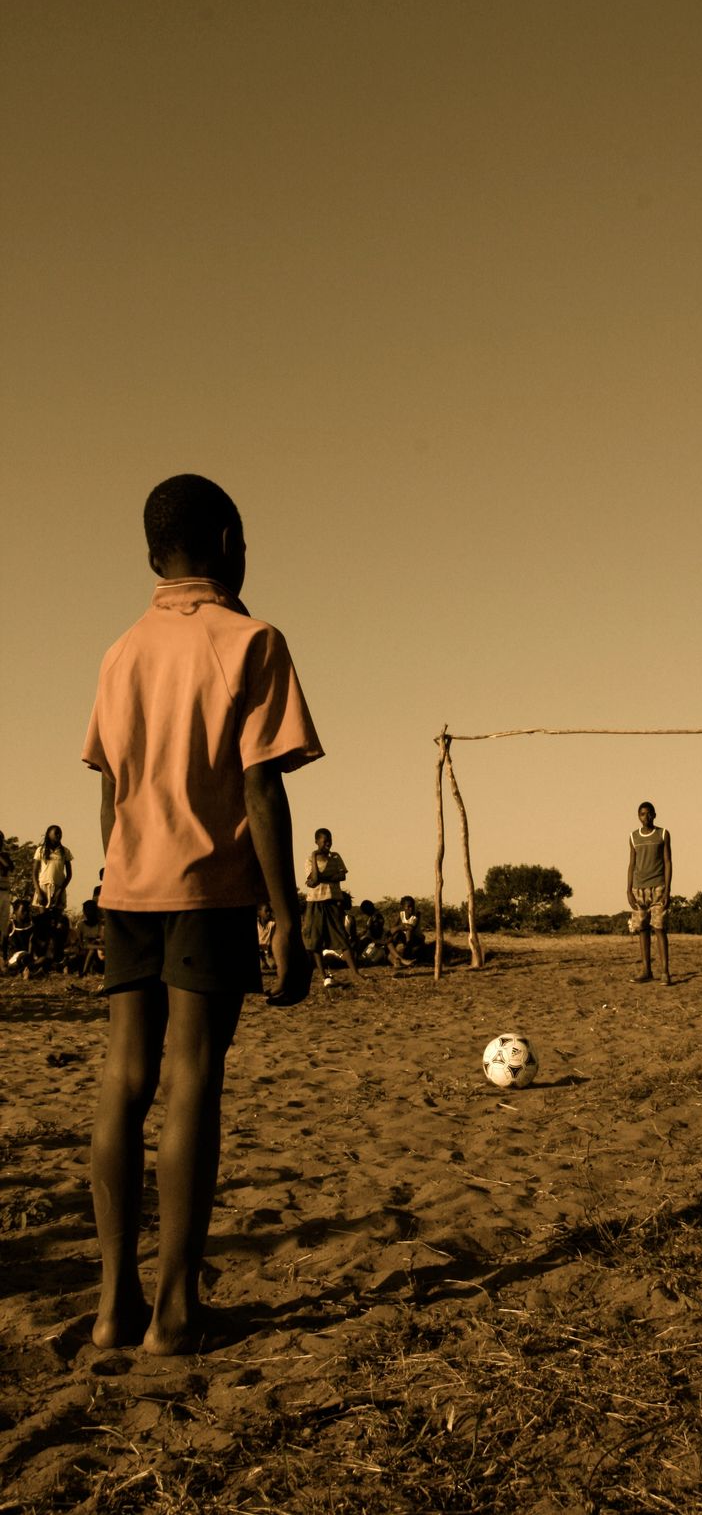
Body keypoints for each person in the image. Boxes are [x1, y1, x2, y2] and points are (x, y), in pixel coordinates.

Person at [82, 473, 321, 1356]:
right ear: (228, 542)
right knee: (192, 1079)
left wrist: (117, 873)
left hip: (126, 887)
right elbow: (261, 786)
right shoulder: (251, 639)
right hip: (207, 890)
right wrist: (286, 917)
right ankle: (175, 1312)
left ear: (153, 555)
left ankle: (112, 1308)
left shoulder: (119, 652)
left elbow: (112, 790)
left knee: (122, 1080)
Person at [304, 828, 359, 986]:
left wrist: (322, 878)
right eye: (324, 840)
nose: (328, 843)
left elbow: (342, 875)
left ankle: (355, 973)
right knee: (315, 940)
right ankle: (324, 976)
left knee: (342, 937)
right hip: (315, 902)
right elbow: (313, 879)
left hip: (333, 901)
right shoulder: (309, 859)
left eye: (329, 840)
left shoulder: (336, 857)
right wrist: (315, 857)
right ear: (317, 841)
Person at [627, 801, 672, 985]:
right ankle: (646, 970)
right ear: (638, 816)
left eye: (648, 813)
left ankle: (665, 972)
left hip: (658, 886)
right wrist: (628, 889)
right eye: (642, 814)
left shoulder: (662, 834)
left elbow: (668, 861)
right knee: (642, 929)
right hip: (639, 888)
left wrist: (667, 889)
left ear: (655, 814)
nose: (645, 817)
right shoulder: (633, 837)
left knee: (659, 928)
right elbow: (631, 863)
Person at [33, 825, 73, 912]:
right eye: (56, 833)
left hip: (59, 887)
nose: (59, 835)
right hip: (43, 887)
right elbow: (34, 873)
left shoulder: (65, 851)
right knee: (43, 919)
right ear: (49, 834)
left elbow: (69, 875)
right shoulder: (40, 850)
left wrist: (60, 891)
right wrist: (38, 891)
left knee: (57, 919)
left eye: (60, 833)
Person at [391, 895, 425, 966]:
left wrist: (401, 927)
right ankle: (392, 953)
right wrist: (399, 927)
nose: (411, 909)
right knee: (396, 933)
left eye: (412, 906)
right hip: (405, 938)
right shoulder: (400, 914)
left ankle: (406, 955)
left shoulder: (417, 915)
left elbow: (411, 928)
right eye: (408, 906)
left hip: (416, 939)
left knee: (408, 932)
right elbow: (392, 929)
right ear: (403, 907)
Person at [0, 832, 13, 960]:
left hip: (4, 892)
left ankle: (3, 957)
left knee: (4, 927)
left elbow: (8, 867)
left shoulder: (4, 855)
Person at [256, 902, 277, 975]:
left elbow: (273, 938)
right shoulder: (256, 923)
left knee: (273, 965)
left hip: (267, 952)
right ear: (259, 912)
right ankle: (262, 961)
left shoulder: (272, 923)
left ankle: (266, 960)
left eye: (270, 911)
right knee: (263, 966)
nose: (269, 913)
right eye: (266, 911)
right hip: (258, 951)